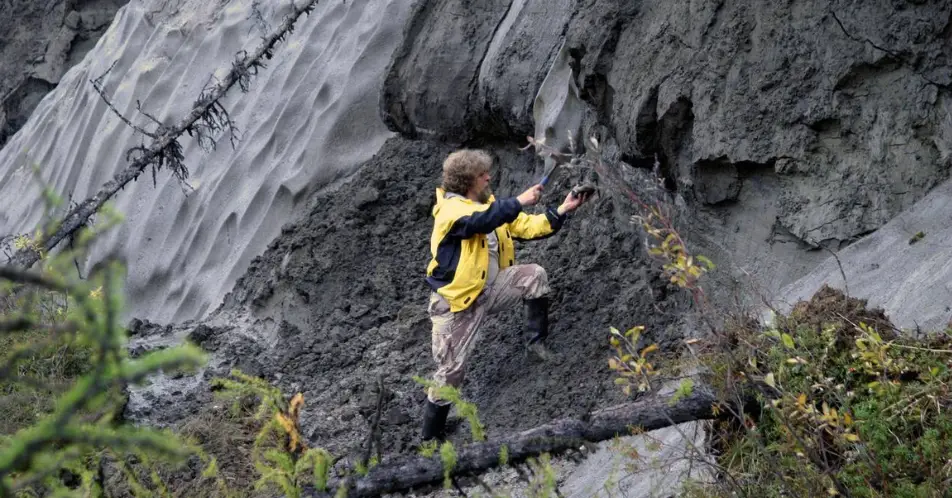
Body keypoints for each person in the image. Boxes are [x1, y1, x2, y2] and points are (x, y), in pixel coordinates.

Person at [421, 149, 591, 441]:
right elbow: (479, 222)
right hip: (457, 305)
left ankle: (535, 346)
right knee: (450, 373)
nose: (488, 177)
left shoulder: (487, 204)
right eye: (481, 175)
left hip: (491, 288)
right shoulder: (450, 211)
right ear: (467, 181)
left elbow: (524, 226)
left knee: (534, 276)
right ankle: (429, 436)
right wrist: (519, 201)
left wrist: (561, 210)